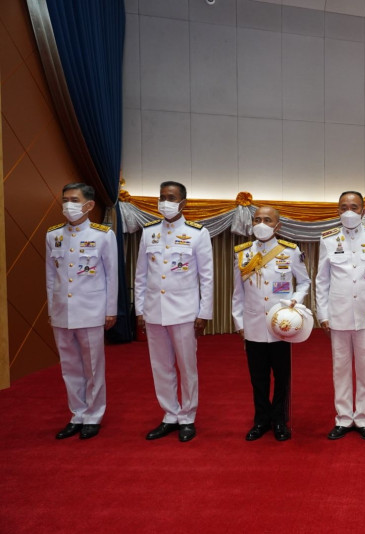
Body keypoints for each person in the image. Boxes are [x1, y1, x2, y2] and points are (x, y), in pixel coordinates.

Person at [134, 181, 214, 442]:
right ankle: (170, 414)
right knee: (160, 366)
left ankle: (187, 417)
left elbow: (207, 277)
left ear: (183, 203)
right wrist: (140, 310)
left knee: (187, 366)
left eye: (170, 197)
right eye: (161, 197)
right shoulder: (149, 232)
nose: (164, 202)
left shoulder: (197, 233)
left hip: (184, 312)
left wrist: (204, 313)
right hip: (154, 310)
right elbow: (141, 275)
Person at [315, 191, 365, 441]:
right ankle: (343, 418)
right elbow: (321, 280)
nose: (349, 211)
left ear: (363, 210)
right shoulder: (328, 239)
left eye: (354, 206)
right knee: (340, 368)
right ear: (337, 210)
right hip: (337, 314)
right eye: (343, 207)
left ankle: (363, 418)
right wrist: (322, 313)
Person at [232, 205, 311, 441]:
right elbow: (238, 292)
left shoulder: (290, 251)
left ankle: (279, 419)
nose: (261, 224)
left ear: (278, 225)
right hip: (253, 323)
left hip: (281, 324)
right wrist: (239, 322)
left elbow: (304, 282)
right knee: (258, 377)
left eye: (267, 220)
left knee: (282, 376)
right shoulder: (243, 253)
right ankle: (261, 420)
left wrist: (295, 301)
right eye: (257, 219)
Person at [47, 183, 117, 440]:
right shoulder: (53, 235)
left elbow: (111, 275)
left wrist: (110, 310)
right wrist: (52, 308)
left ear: (89, 205)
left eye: (74, 200)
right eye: (65, 199)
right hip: (62, 311)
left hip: (91, 310)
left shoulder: (102, 235)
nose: (68, 205)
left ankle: (93, 415)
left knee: (93, 367)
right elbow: (50, 276)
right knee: (69, 367)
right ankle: (77, 414)